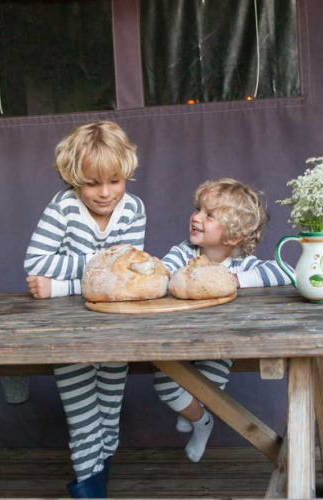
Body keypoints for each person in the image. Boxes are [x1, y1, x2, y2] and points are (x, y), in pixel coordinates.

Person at [24, 121, 145, 498]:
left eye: (114, 181)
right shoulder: (63, 208)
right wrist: (101, 264)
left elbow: (125, 277)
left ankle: (95, 484)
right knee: (84, 420)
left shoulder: (133, 209)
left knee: (109, 415)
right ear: (73, 178)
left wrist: (60, 286)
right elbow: (36, 263)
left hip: (115, 329)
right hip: (67, 334)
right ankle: (88, 491)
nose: (105, 193)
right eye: (92, 184)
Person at [156, 178, 291, 463]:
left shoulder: (242, 265)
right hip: (177, 341)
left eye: (209, 215)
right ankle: (201, 421)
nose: (196, 217)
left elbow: (286, 272)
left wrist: (235, 280)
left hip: (220, 346)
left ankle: (196, 416)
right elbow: (163, 273)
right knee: (166, 386)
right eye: (197, 209)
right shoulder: (183, 253)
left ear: (232, 237)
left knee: (207, 392)